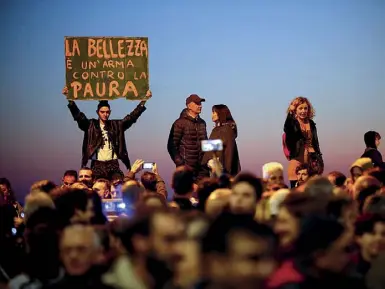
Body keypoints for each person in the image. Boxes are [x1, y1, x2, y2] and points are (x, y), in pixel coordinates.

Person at [62, 86, 152, 180]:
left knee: (118, 186)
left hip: (112, 164)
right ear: (97, 112)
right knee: (97, 188)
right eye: (102, 112)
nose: (105, 114)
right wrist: (70, 99)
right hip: (97, 164)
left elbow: (132, 117)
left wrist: (144, 101)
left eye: (107, 112)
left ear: (110, 112)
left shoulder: (117, 125)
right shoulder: (90, 125)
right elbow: (79, 116)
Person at [283, 97, 323, 188]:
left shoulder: (311, 123)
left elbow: (315, 142)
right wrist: (290, 113)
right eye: (300, 108)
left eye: (305, 108)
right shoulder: (292, 123)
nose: (303, 111)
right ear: (295, 110)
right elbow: (287, 128)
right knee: (296, 193)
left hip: (311, 163)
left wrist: (319, 158)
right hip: (296, 162)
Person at [167, 94, 208, 182]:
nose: (200, 106)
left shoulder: (202, 123)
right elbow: (171, 145)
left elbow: (205, 144)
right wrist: (181, 164)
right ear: (189, 105)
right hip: (186, 170)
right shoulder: (179, 123)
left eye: (200, 103)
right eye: (197, 103)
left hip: (202, 170)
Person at [202, 104, 241, 177]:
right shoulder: (217, 129)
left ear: (221, 113)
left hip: (221, 170)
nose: (212, 115)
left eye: (214, 112)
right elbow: (209, 150)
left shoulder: (227, 129)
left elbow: (230, 151)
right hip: (213, 168)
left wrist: (227, 173)